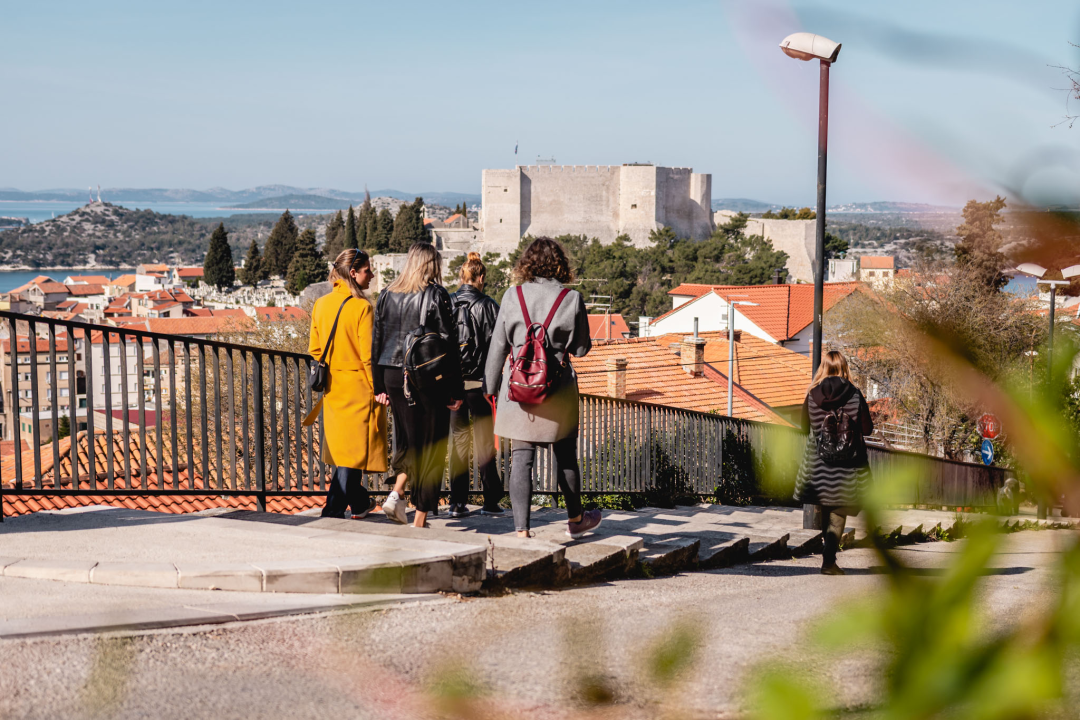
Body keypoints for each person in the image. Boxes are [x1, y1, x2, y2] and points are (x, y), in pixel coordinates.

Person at [484, 237, 601, 539]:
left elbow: (498, 345)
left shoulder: (512, 295)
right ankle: (576, 519)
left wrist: (490, 385)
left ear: (527, 264)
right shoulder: (571, 299)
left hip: (519, 387)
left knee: (521, 459)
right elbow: (582, 349)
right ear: (560, 264)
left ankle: (521, 532)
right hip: (557, 389)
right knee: (565, 457)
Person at [372, 242, 463, 528]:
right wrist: (455, 390)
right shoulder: (437, 295)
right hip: (424, 377)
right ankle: (420, 517)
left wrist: (378, 386)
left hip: (392, 376)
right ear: (431, 264)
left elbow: (376, 342)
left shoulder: (386, 294)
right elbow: (450, 346)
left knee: (410, 440)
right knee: (432, 445)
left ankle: (397, 494)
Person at [309, 249, 387, 519]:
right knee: (352, 455)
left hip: (333, 389)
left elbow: (315, 349)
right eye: (368, 270)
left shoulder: (320, 304)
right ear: (353, 273)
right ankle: (332, 512)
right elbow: (368, 357)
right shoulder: (362, 307)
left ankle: (359, 502)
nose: (372, 275)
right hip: (358, 389)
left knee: (345, 454)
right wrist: (378, 389)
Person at [793, 350, 874, 575]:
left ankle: (827, 557)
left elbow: (803, 428)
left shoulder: (811, 396)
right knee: (839, 511)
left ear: (823, 368)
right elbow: (867, 429)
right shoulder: (855, 395)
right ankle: (828, 561)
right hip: (848, 469)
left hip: (818, 467)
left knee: (824, 507)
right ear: (844, 368)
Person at [448, 252, 504, 518]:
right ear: (481, 278)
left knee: (458, 444)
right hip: (481, 386)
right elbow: (499, 347)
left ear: (462, 277)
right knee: (485, 445)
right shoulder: (489, 306)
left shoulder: (447, 302)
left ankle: (457, 503)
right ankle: (491, 500)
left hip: (453, 388)